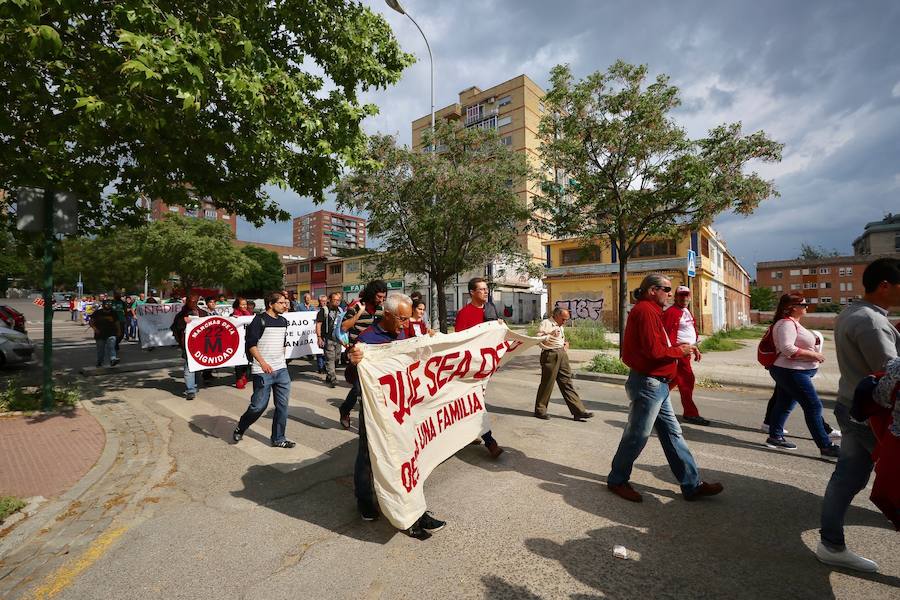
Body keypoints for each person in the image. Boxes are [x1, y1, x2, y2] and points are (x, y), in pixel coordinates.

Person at [607, 273, 723, 503]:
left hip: (657, 384)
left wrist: (683, 347)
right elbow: (654, 352)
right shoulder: (646, 311)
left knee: (673, 434)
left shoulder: (651, 310)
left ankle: (692, 484)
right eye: (667, 289)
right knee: (637, 436)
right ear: (652, 290)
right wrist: (680, 352)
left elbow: (660, 345)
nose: (671, 294)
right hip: (648, 383)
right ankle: (617, 480)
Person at [817, 258, 900, 572]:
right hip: (871, 414)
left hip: (850, 403)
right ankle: (830, 543)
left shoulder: (852, 311)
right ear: (885, 286)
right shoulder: (871, 322)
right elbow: (893, 377)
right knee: (887, 482)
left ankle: (830, 542)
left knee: (847, 477)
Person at [347, 293, 446, 539]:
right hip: (376, 411)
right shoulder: (367, 339)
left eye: (408, 318)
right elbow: (351, 378)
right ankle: (365, 500)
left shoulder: (405, 334)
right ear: (388, 315)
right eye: (401, 319)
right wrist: (353, 362)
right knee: (368, 456)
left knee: (408, 456)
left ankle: (415, 508)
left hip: (402, 409)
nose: (405, 324)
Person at [764, 293, 841, 457]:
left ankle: (775, 436)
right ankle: (826, 446)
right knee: (813, 406)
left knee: (784, 404)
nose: (806, 307)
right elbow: (787, 348)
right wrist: (814, 355)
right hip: (791, 372)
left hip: (791, 371)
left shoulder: (792, 323)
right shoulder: (786, 324)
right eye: (804, 305)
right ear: (792, 307)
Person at [233, 291, 296, 448]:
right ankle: (241, 426)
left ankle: (278, 438)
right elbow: (251, 345)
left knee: (282, 406)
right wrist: (262, 363)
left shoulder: (283, 321)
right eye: (281, 302)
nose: (285, 305)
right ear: (271, 304)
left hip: (281, 370)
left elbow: (282, 342)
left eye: (285, 302)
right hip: (263, 371)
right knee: (258, 406)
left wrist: (282, 361)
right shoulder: (259, 320)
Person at [452, 277, 504, 459]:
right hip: (470, 369)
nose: (485, 291)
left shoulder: (491, 310)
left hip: (486, 367)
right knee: (476, 403)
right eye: (481, 289)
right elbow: (459, 343)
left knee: (473, 404)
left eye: (486, 289)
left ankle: (472, 433)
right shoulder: (464, 313)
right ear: (472, 292)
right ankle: (490, 442)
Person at [338, 280, 387, 428]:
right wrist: (359, 312)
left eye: (383, 297)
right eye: (379, 296)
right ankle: (345, 409)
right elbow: (344, 327)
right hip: (356, 354)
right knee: (359, 387)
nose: (381, 299)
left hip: (375, 355)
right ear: (372, 293)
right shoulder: (356, 306)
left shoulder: (381, 309)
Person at [533, 306, 593, 421]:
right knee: (547, 383)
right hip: (550, 354)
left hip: (561, 353)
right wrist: (550, 333)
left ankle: (578, 411)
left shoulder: (560, 326)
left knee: (567, 382)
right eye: (563, 319)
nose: (565, 322)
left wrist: (565, 344)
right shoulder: (546, 323)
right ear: (556, 316)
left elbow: (558, 338)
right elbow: (538, 338)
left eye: (566, 319)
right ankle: (540, 410)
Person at [661, 286, 709, 426]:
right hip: (679, 353)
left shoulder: (685, 311)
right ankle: (690, 413)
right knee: (687, 380)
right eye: (681, 296)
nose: (684, 298)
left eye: (686, 295)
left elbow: (690, 330)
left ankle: (652, 401)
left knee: (675, 380)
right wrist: (678, 349)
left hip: (686, 351)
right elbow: (666, 337)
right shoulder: (672, 312)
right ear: (675, 297)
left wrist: (695, 347)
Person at [172, 295, 204, 400]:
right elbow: (175, 328)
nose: (193, 303)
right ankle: (190, 390)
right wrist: (183, 322)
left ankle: (195, 385)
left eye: (195, 301)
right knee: (189, 367)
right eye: (191, 301)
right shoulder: (181, 315)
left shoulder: (203, 313)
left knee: (198, 367)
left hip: (201, 345)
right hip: (187, 345)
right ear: (187, 302)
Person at [316, 291, 343, 388]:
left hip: (338, 339)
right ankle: (332, 378)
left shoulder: (340, 310)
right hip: (328, 338)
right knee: (330, 358)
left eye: (338, 300)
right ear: (330, 300)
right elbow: (318, 324)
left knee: (337, 358)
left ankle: (329, 374)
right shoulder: (324, 310)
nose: (337, 302)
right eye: (335, 300)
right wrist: (319, 337)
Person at [90, 299, 121, 367]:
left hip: (111, 333)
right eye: (107, 304)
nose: (108, 305)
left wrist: (119, 331)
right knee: (100, 350)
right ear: (103, 305)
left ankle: (113, 359)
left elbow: (117, 323)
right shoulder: (97, 312)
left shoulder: (113, 313)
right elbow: (91, 322)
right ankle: (100, 362)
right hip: (100, 334)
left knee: (111, 347)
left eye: (110, 304)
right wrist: (95, 329)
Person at [231, 297, 254, 389]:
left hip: (248, 340)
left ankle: (244, 376)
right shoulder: (234, 315)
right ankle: (239, 378)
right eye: (242, 304)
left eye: (245, 304)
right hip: (238, 341)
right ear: (237, 305)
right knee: (239, 361)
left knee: (247, 360)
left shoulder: (249, 314)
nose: (244, 306)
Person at [315, 294, 329, 374]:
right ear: (319, 301)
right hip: (318, 332)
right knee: (320, 351)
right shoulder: (316, 309)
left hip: (326, 332)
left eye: (325, 301)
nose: (324, 302)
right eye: (322, 301)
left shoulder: (328, 309)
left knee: (327, 351)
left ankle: (325, 366)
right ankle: (321, 367)